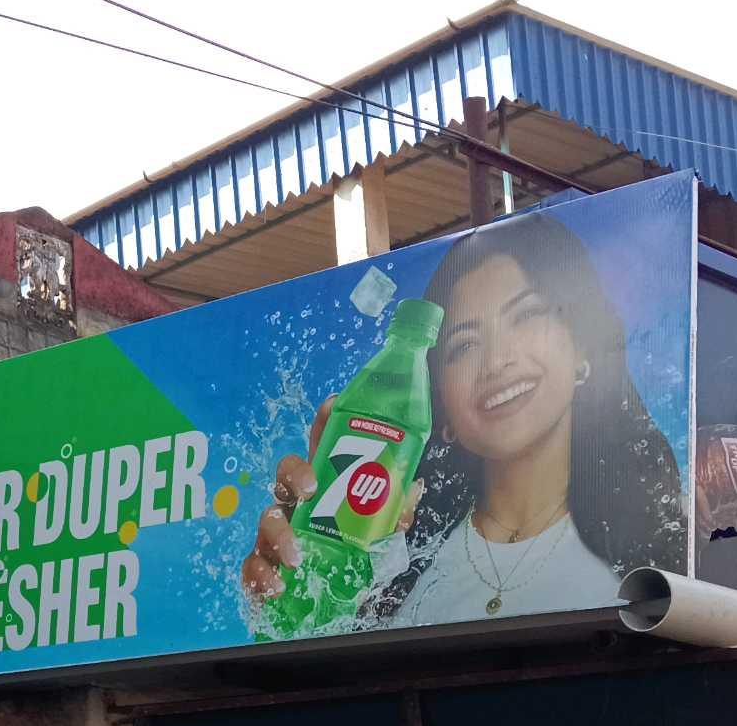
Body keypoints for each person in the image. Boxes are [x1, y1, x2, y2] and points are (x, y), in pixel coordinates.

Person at [243, 210, 686, 625]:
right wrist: (302, 587)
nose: (496, 362)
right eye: (465, 346)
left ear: (583, 348)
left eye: (526, 315)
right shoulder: (396, 560)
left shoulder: (658, 544)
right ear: (439, 407)